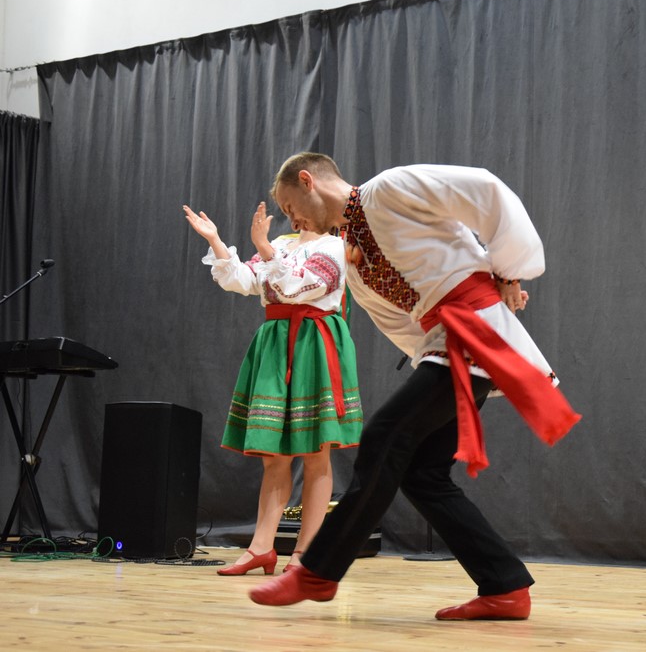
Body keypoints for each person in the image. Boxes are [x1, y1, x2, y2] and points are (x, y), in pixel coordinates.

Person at [247, 155, 581, 619]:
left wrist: (507, 271)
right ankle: (504, 586)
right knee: (422, 474)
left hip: (473, 331)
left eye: (290, 207)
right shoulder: (353, 258)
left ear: (308, 181)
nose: (293, 220)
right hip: (449, 342)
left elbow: (486, 191)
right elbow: (402, 322)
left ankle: (319, 571)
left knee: (385, 437)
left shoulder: (389, 189)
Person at [184, 201, 363, 575]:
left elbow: (300, 287)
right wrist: (216, 240)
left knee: (316, 452)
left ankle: (306, 554)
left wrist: (265, 249)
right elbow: (245, 281)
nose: (292, 214)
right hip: (276, 343)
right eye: (288, 207)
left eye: (295, 205)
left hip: (314, 342)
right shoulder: (282, 243)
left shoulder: (334, 246)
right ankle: (261, 547)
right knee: (274, 456)